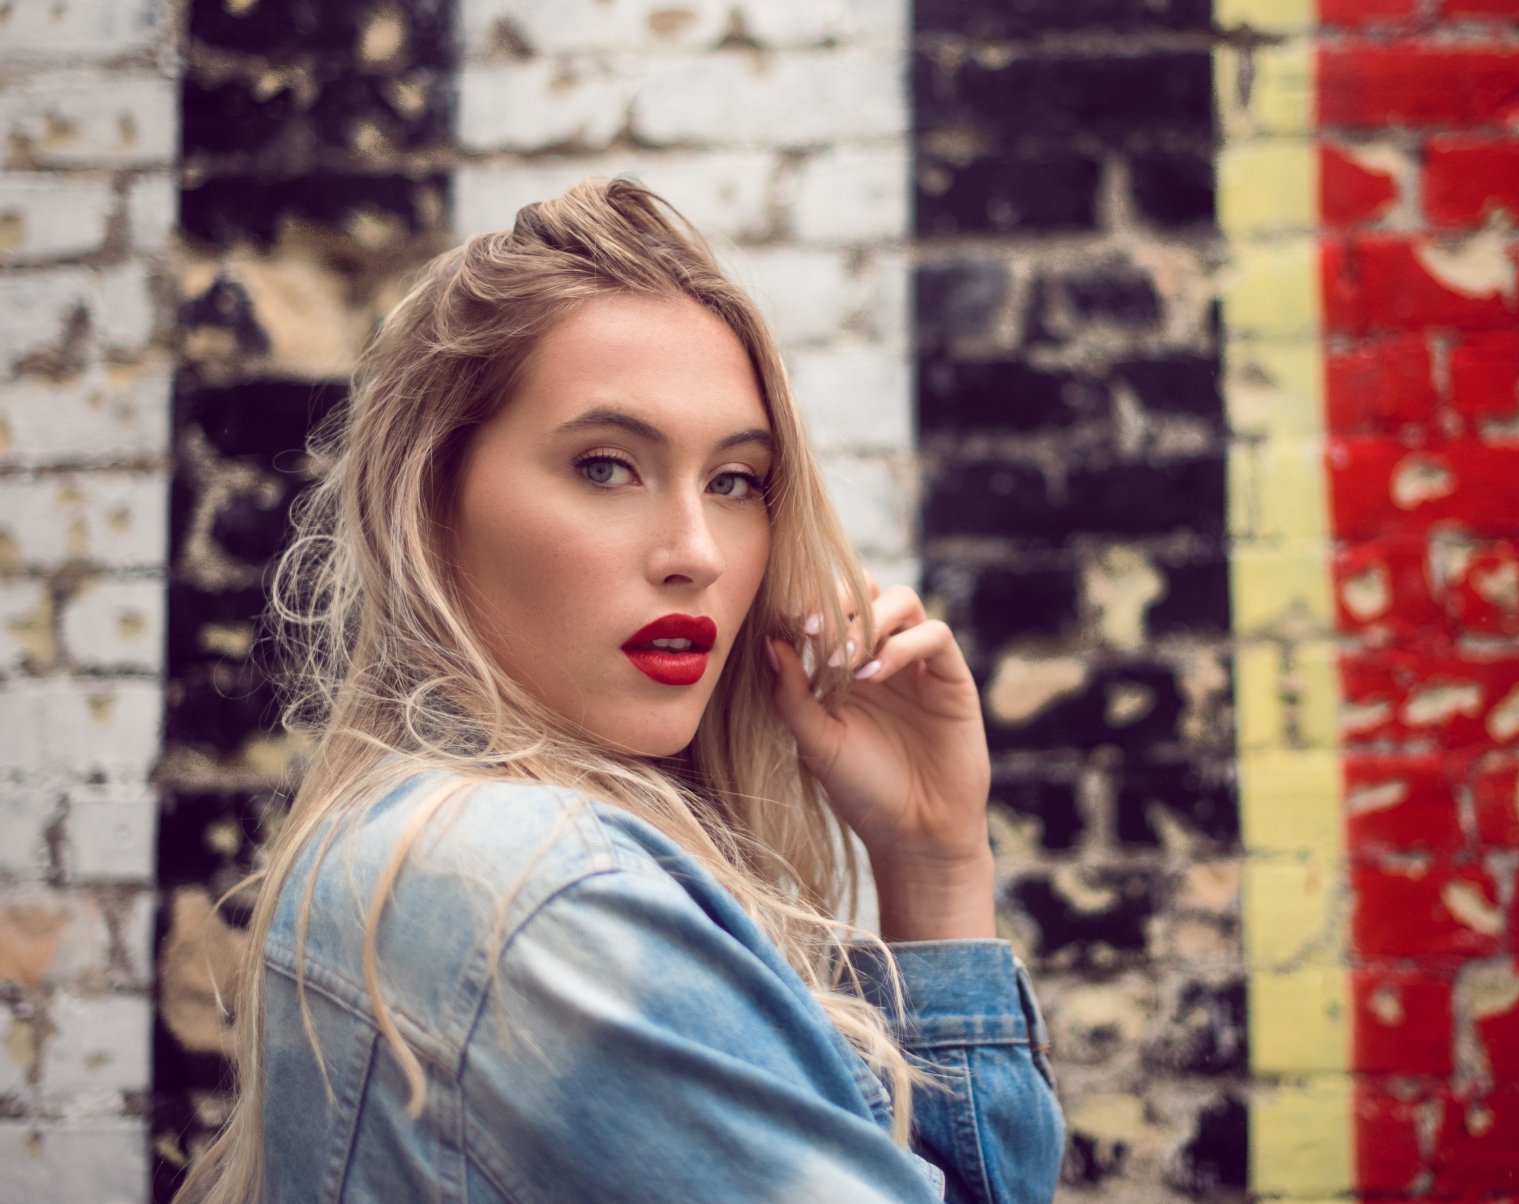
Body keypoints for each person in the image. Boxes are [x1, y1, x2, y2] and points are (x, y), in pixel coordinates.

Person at [179, 178, 1065, 1203]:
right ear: (433, 500)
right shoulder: (541, 889)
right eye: (606, 466)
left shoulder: (414, 852)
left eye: (734, 481)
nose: (695, 553)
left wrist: (933, 857)